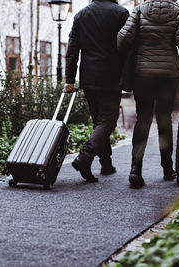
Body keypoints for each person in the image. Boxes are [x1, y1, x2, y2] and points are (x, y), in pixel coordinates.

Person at [117, 0, 179, 187]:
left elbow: (122, 39)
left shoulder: (138, 11)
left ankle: (135, 169)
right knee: (164, 118)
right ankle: (167, 168)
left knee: (143, 117)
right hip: (168, 75)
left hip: (142, 73)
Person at [64, 0, 129, 182]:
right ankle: (85, 157)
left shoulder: (82, 15)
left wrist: (70, 79)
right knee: (107, 122)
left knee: (99, 122)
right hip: (111, 76)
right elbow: (128, 49)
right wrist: (127, 77)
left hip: (89, 77)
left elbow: (72, 50)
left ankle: (106, 164)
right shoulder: (121, 13)